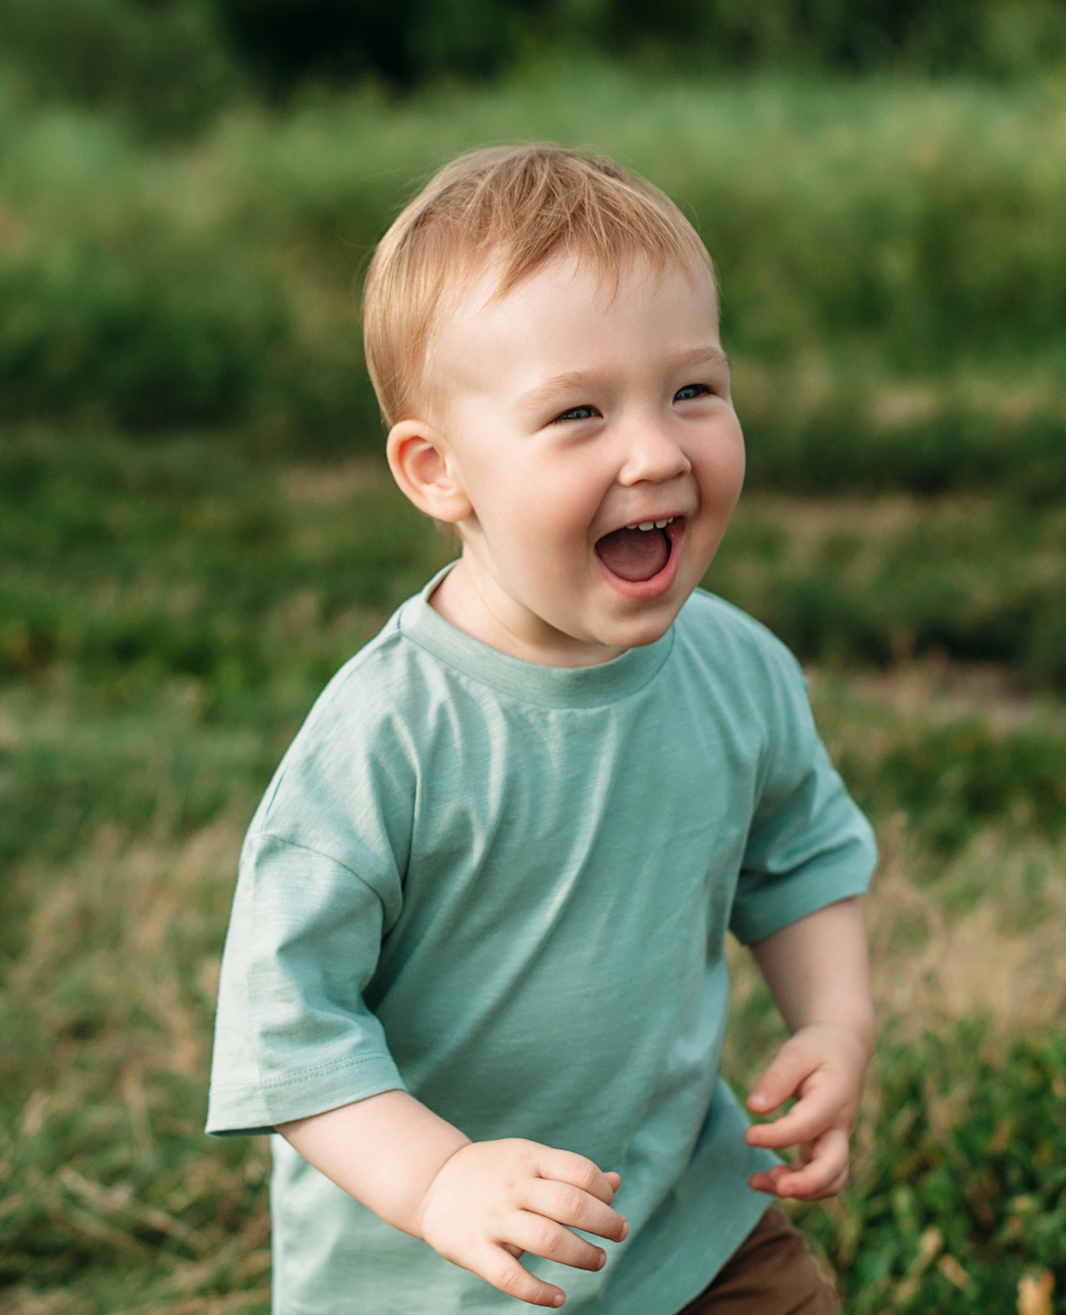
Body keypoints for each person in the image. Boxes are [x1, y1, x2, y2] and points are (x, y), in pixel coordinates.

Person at [207, 144, 878, 1313]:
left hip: (686, 1222)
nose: (657, 449)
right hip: (445, 1271)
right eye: (579, 411)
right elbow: (286, 1021)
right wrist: (439, 1179)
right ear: (437, 470)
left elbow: (801, 853)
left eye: (692, 390)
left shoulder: (736, 667)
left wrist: (834, 1018)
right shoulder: (387, 738)